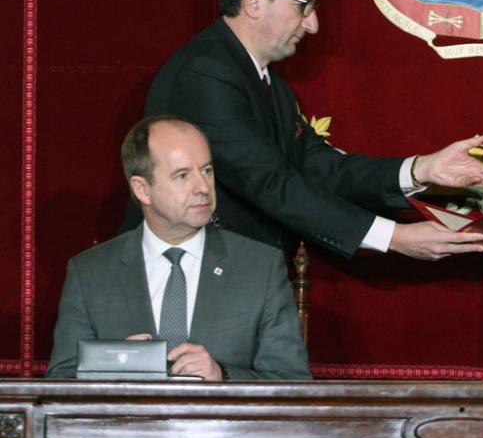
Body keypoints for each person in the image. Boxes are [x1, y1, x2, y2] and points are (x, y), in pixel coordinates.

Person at [127, 0, 483, 261]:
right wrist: (393, 237)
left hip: (236, 280)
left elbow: (320, 168)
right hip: (188, 283)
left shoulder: (268, 82)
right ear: (255, 1)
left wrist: (420, 170)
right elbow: (268, 182)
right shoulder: (207, 72)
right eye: (303, 6)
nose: (313, 24)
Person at [48, 116, 312, 380]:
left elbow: (292, 383)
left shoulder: (260, 267)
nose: (203, 187)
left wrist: (224, 375)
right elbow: (60, 385)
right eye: (182, 175)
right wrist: (110, 369)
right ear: (143, 190)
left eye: (206, 170)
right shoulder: (90, 273)